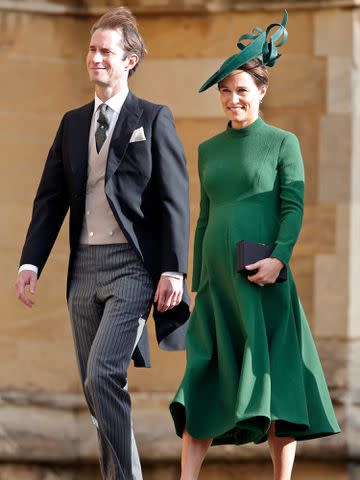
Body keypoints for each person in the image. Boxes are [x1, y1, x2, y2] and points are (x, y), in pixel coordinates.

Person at [15, 7, 190, 480]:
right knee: (95, 392)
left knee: (103, 374)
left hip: (133, 268)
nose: (95, 58)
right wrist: (30, 263)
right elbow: (49, 200)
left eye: (105, 51)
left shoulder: (152, 118)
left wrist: (174, 270)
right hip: (83, 270)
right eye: (91, 49)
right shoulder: (72, 123)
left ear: (129, 60)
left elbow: (175, 197)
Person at [170, 11, 340, 480]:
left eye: (241, 90)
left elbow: (293, 208)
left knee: (273, 380)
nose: (232, 99)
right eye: (225, 91)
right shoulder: (207, 150)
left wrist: (277, 260)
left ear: (261, 92)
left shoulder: (283, 143)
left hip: (262, 280)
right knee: (203, 374)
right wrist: (197, 282)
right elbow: (204, 217)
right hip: (217, 287)